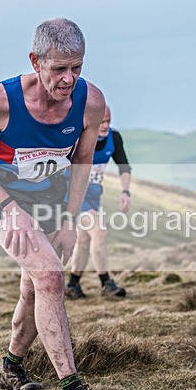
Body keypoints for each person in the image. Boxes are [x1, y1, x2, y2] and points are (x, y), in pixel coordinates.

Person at [0, 18, 110, 390]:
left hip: (49, 198)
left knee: (33, 287)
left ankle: (11, 366)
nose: (69, 79)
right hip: (0, 197)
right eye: (59, 68)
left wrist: (70, 218)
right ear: (35, 60)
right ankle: (73, 389)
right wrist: (11, 211)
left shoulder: (90, 102)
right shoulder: (1, 101)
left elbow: (82, 159)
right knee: (50, 276)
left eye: (77, 67)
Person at [64, 105, 132, 299]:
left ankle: (72, 284)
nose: (105, 126)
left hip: (94, 197)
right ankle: (106, 283)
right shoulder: (78, 138)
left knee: (84, 241)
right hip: (74, 196)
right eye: (101, 122)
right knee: (99, 231)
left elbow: (124, 166)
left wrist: (125, 191)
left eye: (108, 121)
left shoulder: (114, 138)